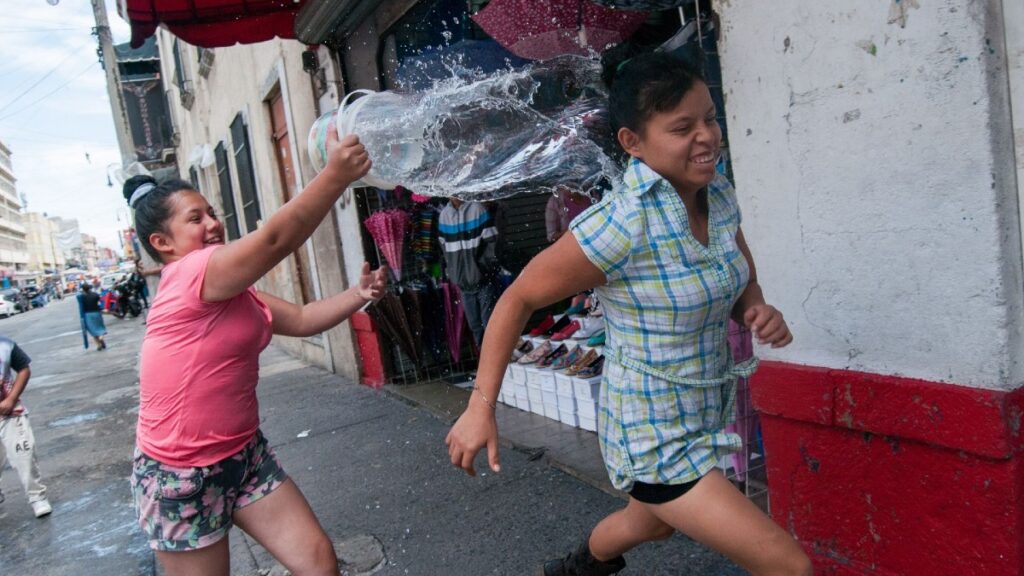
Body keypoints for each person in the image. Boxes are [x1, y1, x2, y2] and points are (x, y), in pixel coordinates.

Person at [445, 52, 812, 576]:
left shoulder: (720, 194)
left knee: (652, 523)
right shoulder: (621, 225)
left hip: (705, 412)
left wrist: (756, 309)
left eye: (710, 117)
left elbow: (739, 279)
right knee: (788, 565)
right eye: (683, 127)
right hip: (652, 432)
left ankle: (576, 569)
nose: (707, 136)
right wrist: (481, 407)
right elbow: (518, 298)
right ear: (632, 143)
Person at [126, 125, 385, 576]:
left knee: (319, 562)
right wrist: (335, 176)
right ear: (162, 244)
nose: (212, 224)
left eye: (211, 213)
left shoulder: (233, 290)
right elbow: (274, 241)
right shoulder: (189, 275)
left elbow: (303, 319)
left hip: (244, 456)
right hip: (181, 476)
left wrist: (358, 294)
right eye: (195, 219)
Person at [0, 335, 52, 518]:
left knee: (23, 455)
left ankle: (37, 497)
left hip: (9, 413)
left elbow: (23, 369)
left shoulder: (5, 344)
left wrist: (11, 398)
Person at [438, 198, 499, 346]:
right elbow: (444, 248)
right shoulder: (444, 215)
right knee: (475, 326)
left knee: (490, 323)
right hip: (463, 282)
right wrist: (452, 272)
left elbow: (493, 242)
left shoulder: (478, 209)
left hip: (483, 279)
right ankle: (485, 363)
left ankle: (499, 362)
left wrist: (483, 268)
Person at [77, 283, 107, 350]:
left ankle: (98, 345)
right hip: (97, 312)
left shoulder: (82, 297)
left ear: (83, 289)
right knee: (100, 327)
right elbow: (101, 301)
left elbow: (81, 306)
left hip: (88, 315)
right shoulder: (95, 295)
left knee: (92, 330)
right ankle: (101, 337)